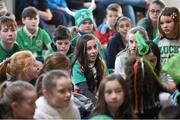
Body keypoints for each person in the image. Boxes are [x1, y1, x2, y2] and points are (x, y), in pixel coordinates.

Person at [72, 34, 108, 105]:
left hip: (98, 96)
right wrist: (98, 105)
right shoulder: (77, 66)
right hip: (82, 100)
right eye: (89, 48)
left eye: (95, 47)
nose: (93, 51)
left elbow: (106, 83)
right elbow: (84, 90)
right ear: (82, 51)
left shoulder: (101, 62)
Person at [153, 7, 180, 92]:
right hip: (161, 84)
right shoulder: (157, 41)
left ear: (177, 22)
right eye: (161, 23)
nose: (165, 26)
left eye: (168, 22)